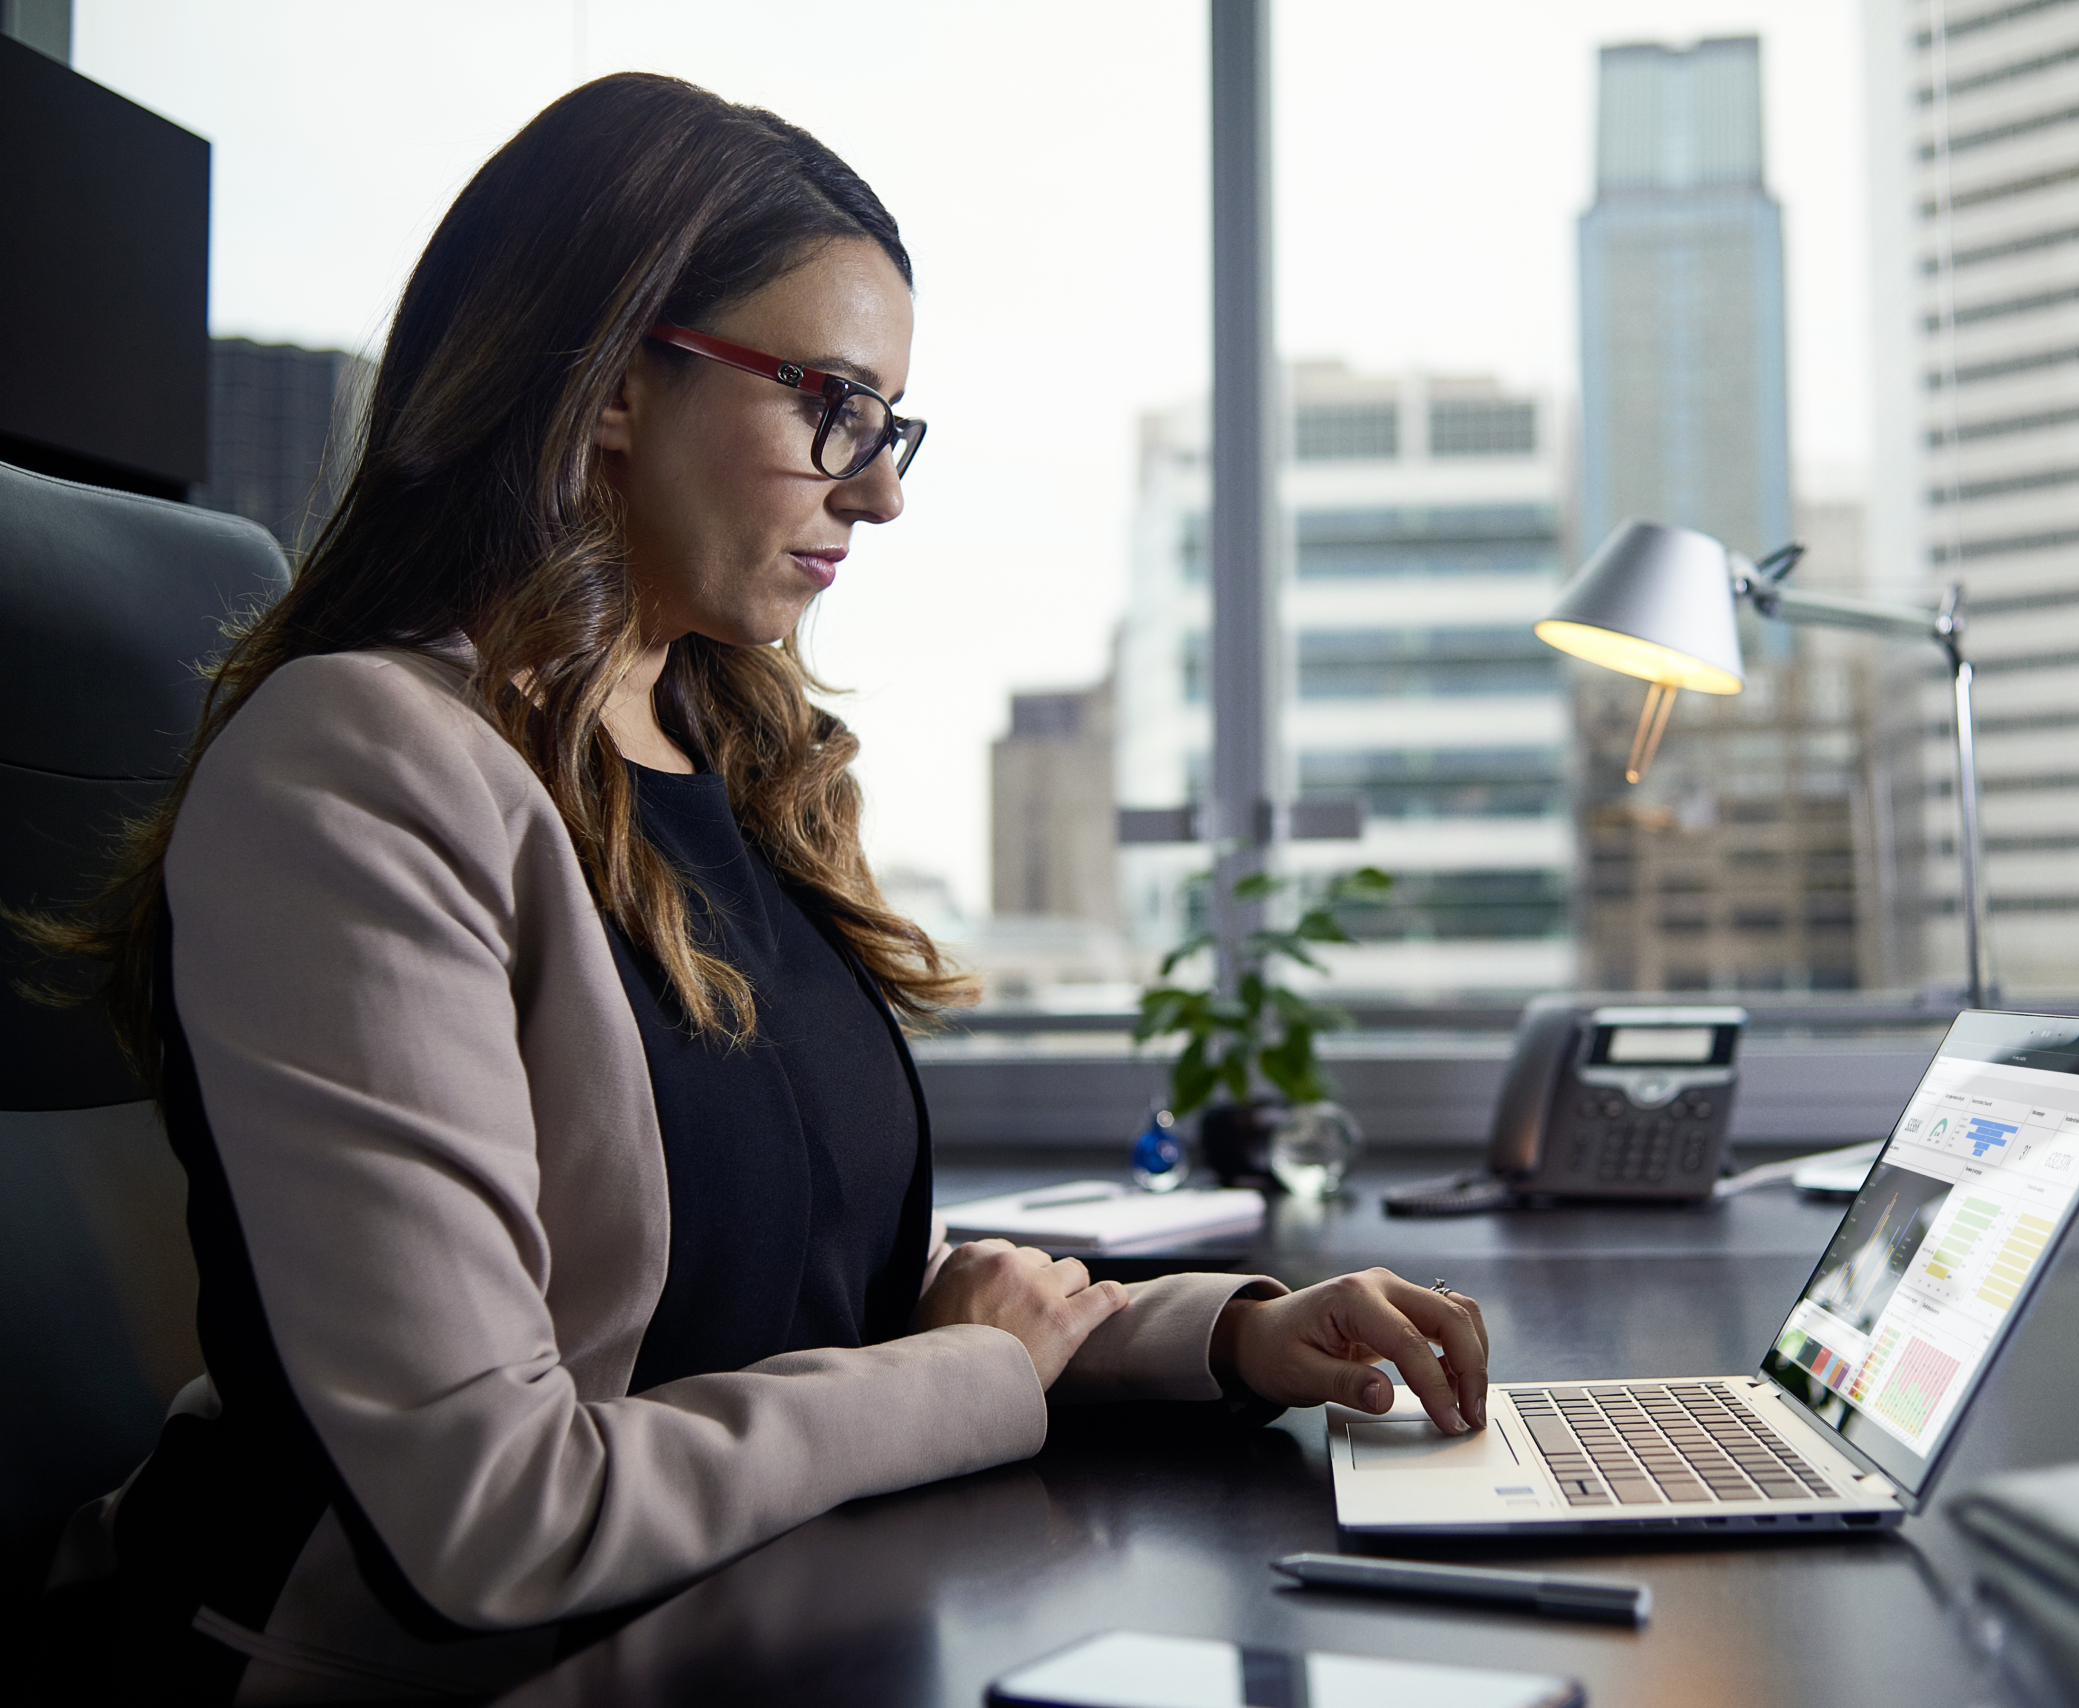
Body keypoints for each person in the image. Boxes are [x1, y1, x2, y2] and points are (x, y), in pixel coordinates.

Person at [31, 73, 1487, 1705]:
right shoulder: (361, 768)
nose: (878, 491)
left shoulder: (732, 749)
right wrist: (980, 1373)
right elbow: (492, 1517)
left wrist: (1225, 1337)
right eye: (834, 408)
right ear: (607, 383)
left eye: (889, 427)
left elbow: (824, 1300)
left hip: (769, 1606)